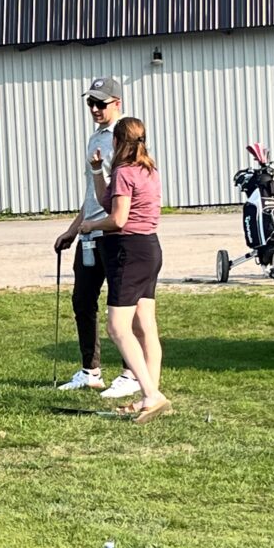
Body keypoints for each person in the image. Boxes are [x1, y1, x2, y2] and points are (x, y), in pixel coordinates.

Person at [53, 78, 140, 399]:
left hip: (114, 233)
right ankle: (90, 371)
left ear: (117, 102)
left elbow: (122, 192)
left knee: (121, 305)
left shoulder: (126, 138)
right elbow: (94, 193)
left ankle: (131, 372)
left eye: (100, 103)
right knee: (82, 300)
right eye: (90, 103)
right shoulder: (94, 139)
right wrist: (73, 229)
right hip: (90, 231)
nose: (94, 108)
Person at [79, 117, 170, 424]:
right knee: (146, 326)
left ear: (116, 142)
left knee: (118, 327)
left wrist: (89, 225)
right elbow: (110, 201)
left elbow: (117, 219)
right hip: (150, 249)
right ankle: (150, 396)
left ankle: (151, 395)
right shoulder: (148, 170)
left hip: (127, 252)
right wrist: (96, 171)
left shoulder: (123, 171)